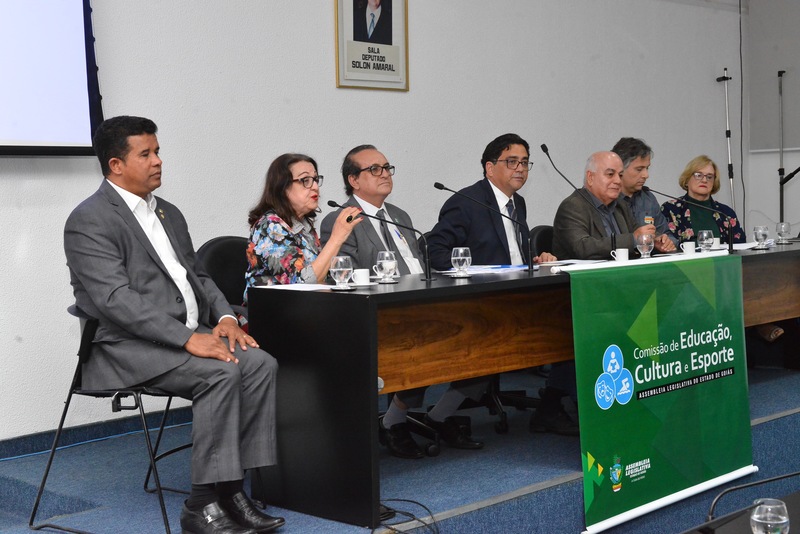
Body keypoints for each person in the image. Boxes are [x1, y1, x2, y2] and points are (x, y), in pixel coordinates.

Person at [63, 116, 284, 534]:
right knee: (221, 372)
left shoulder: (167, 212)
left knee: (260, 364)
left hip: (182, 336)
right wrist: (188, 339)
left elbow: (197, 275)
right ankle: (200, 505)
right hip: (124, 347)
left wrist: (225, 318)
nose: (158, 161)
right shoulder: (89, 219)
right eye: (145, 154)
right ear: (115, 165)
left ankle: (231, 489)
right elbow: (115, 300)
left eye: (158, 151)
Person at [321, 144, 484, 458]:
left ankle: (440, 416)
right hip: (383, 313)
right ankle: (393, 422)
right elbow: (343, 276)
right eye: (375, 169)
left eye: (387, 167)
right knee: (422, 341)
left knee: (483, 335)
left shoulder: (399, 216)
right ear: (353, 180)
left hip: (424, 302)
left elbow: (419, 266)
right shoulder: (340, 220)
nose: (385, 174)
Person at [427, 133, 557, 270]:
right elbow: (434, 250)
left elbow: (514, 255)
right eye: (512, 162)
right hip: (487, 283)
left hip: (521, 280)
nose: (520, 169)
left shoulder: (518, 202)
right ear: (490, 168)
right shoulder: (466, 202)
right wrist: (473, 270)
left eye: (524, 162)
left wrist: (537, 260)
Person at [244, 153, 362, 299]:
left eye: (315, 179)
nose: (315, 187)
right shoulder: (270, 226)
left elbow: (321, 278)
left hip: (307, 306)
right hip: (272, 309)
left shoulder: (303, 226)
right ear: (283, 187)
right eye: (305, 180)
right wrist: (336, 238)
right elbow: (301, 284)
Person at [552, 151, 659, 260]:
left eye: (620, 175)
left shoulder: (620, 205)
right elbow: (583, 247)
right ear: (590, 177)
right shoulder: (572, 206)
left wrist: (654, 241)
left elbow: (637, 233)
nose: (618, 181)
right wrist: (633, 239)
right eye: (610, 174)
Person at [659, 155, 745, 245]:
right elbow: (666, 245)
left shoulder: (726, 213)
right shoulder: (670, 209)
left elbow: (741, 246)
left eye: (709, 177)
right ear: (687, 179)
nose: (704, 180)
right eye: (698, 175)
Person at [611, 137, 677, 251]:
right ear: (620, 169)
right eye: (639, 169)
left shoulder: (648, 199)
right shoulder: (608, 199)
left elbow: (669, 236)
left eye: (647, 168)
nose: (646, 175)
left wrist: (664, 241)